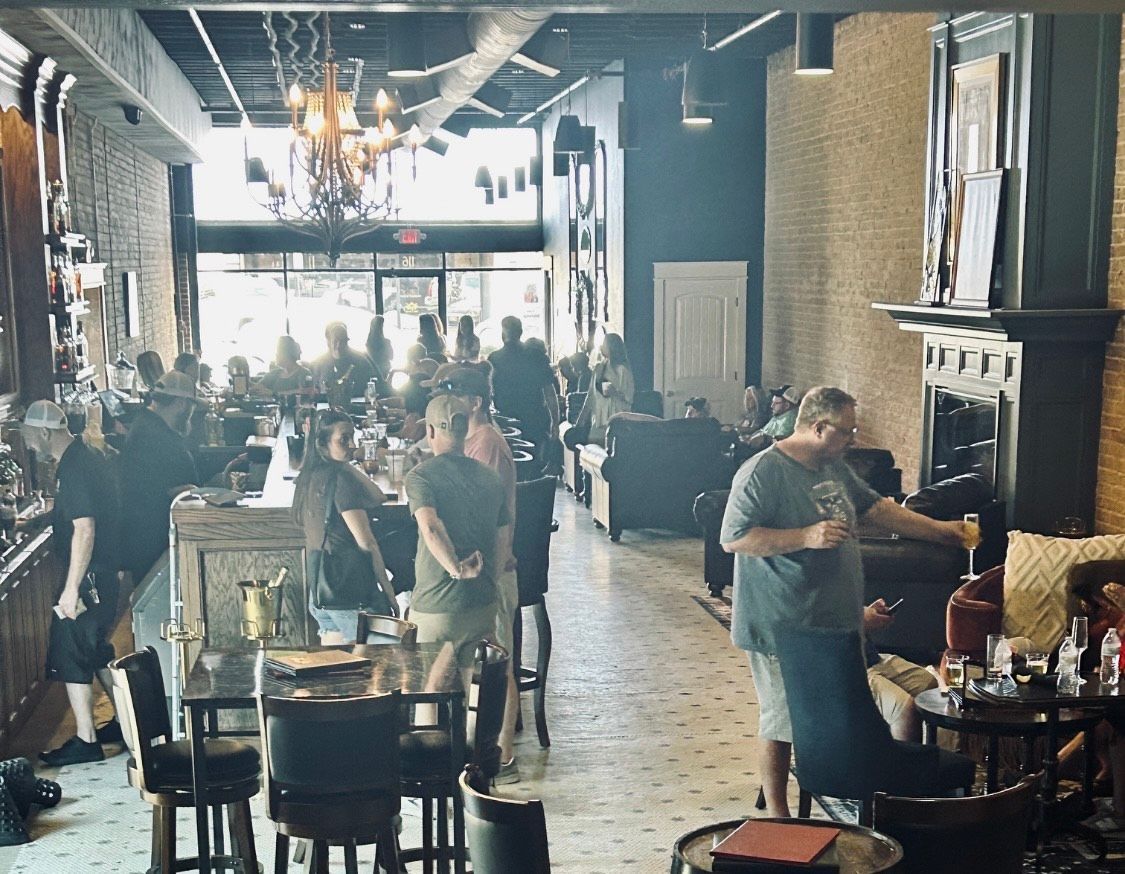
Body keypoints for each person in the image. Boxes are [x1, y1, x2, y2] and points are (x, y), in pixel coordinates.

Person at [719, 386, 968, 818]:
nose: (853, 440)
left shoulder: (831, 466)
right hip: (781, 624)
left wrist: (944, 530)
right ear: (818, 427)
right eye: (847, 431)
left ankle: (861, 796)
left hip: (830, 623)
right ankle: (778, 817)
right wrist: (804, 537)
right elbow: (734, 537)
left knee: (826, 720)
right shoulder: (762, 472)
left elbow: (878, 510)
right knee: (782, 719)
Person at [22, 402, 122, 766]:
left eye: (30, 436)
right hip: (102, 571)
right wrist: (39, 522)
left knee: (71, 647)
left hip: (89, 575)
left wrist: (70, 587)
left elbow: (85, 527)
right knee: (94, 650)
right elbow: (74, 512)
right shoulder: (79, 457)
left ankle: (86, 738)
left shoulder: (75, 467)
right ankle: (130, 724)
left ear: (45, 433)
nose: (29, 444)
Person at [436, 367, 521, 783]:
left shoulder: (485, 445)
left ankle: (503, 753)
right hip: (480, 565)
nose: (448, 400)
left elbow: (480, 517)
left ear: (474, 402)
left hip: (494, 567)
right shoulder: (471, 442)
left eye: (454, 393)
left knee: (497, 660)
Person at [404, 394, 509, 697]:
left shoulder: (420, 476)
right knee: (467, 687)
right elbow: (503, 538)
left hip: (437, 607)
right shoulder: (491, 478)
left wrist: (456, 569)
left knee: (430, 691)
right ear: (464, 431)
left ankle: (432, 745)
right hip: (482, 603)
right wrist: (490, 580)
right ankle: (475, 744)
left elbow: (431, 527)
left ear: (431, 432)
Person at [292, 408, 398, 644]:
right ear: (322, 444)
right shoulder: (341, 480)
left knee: (339, 670)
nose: (352, 444)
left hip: (320, 590)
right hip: (348, 592)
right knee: (389, 659)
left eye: (353, 437)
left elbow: (377, 495)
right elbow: (366, 542)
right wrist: (387, 588)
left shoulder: (308, 476)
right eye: (344, 439)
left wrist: (345, 463)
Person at [119, 371, 202, 583]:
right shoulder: (158, 438)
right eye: (192, 406)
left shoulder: (145, 424)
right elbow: (178, 490)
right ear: (182, 404)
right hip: (155, 541)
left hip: (144, 537)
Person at [487, 316, 559, 459]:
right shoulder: (537, 356)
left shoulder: (494, 359)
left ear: (502, 335)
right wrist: (555, 422)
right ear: (521, 332)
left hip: (505, 419)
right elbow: (550, 393)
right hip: (535, 416)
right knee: (535, 460)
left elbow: (489, 392)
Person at [574, 332, 634, 446]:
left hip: (617, 419)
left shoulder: (623, 371)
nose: (601, 347)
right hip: (598, 420)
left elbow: (629, 397)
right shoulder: (598, 368)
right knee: (594, 452)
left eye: (604, 344)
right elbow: (591, 396)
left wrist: (615, 393)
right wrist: (581, 420)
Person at [311, 321, 376, 404]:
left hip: (358, 411)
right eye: (335, 341)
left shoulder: (362, 362)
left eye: (342, 341)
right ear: (328, 341)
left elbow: (376, 387)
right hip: (327, 412)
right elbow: (312, 393)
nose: (339, 345)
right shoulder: (317, 365)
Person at [364, 315, 394, 379]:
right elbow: (391, 356)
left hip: (372, 371)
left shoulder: (368, 344)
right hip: (384, 371)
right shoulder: (386, 342)